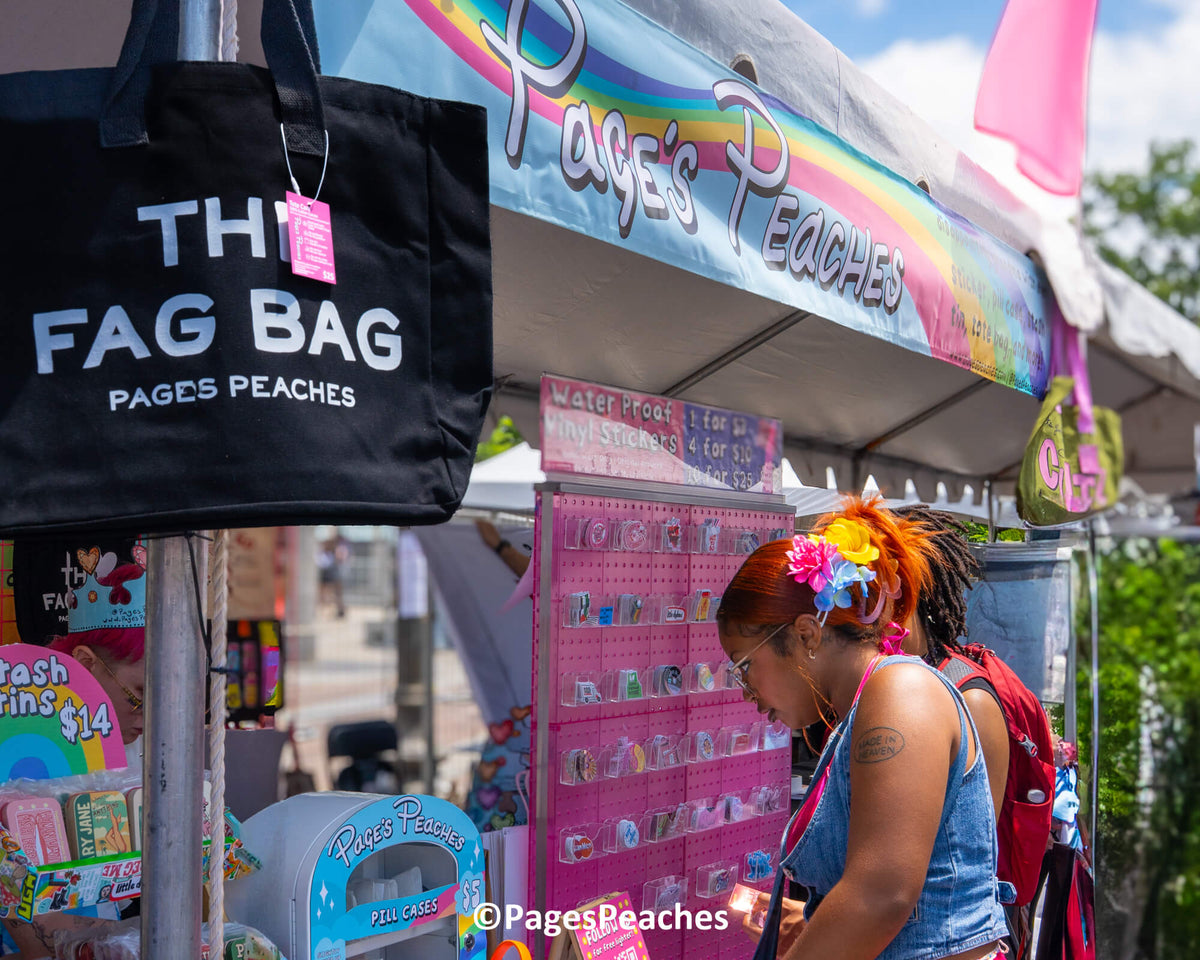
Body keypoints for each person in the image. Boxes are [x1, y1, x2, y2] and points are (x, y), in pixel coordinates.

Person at [719, 498, 1009, 960]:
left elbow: (879, 896)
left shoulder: (901, 690)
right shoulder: (866, 706)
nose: (746, 692)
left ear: (807, 635)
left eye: (744, 666)